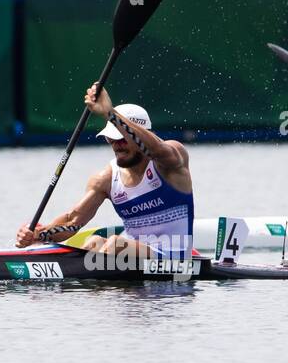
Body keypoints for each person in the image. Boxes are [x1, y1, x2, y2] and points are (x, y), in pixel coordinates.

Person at [16, 83, 194, 259]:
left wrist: (111, 114)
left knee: (115, 244)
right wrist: (37, 235)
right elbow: (72, 221)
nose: (116, 145)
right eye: (112, 139)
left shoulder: (171, 161)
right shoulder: (106, 178)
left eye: (122, 139)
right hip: (129, 255)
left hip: (175, 258)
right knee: (93, 243)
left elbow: (157, 149)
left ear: (141, 134)